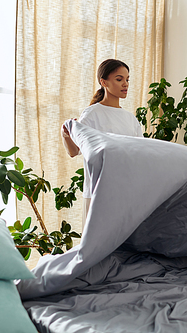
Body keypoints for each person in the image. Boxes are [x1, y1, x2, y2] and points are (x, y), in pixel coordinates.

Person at [61, 59, 143, 228]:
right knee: (97, 246)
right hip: (99, 190)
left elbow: (139, 153)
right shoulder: (92, 114)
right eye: (119, 79)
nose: (125, 84)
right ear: (103, 82)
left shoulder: (130, 119)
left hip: (126, 189)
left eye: (127, 79)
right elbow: (74, 151)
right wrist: (66, 136)